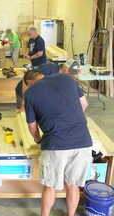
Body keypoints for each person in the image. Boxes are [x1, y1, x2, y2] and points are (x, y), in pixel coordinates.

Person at [23, 70, 92, 216]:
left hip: (55, 144)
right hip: (83, 141)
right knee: (73, 185)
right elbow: (84, 104)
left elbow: (32, 126)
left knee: (50, 186)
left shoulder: (31, 92)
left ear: (29, 82)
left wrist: (38, 140)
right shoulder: (67, 78)